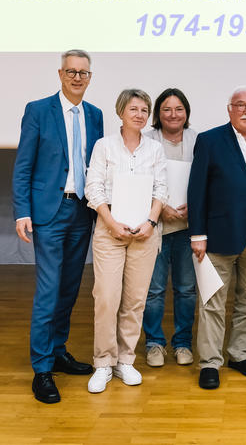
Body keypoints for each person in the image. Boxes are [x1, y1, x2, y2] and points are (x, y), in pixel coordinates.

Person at [12, 49, 104, 404]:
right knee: (49, 291)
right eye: (71, 71)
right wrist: (22, 212)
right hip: (49, 212)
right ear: (61, 74)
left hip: (82, 211)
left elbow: (97, 164)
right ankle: (41, 369)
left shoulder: (95, 115)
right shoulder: (38, 110)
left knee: (69, 289)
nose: (77, 77)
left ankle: (57, 351)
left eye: (83, 72)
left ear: (89, 77)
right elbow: (23, 165)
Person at [187, 86, 246, 390]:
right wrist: (198, 234)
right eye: (240, 105)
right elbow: (196, 190)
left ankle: (240, 353)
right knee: (212, 301)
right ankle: (210, 362)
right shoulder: (210, 140)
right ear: (229, 109)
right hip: (217, 236)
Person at [84, 89, 168, 393]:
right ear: (121, 112)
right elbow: (93, 188)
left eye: (145, 110)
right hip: (110, 232)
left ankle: (125, 360)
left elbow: (161, 189)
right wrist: (111, 223)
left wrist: (150, 223)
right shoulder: (104, 146)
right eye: (134, 109)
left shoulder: (155, 149)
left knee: (135, 300)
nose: (140, 115)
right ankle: (103, 363)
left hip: (145, 234)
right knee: (107, 297)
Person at [141, 88, 198, 368]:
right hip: (156, 226)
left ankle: (183, 343)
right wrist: (160, 207)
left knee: (186, 289)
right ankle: (154, 343)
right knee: (153, 290)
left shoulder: (198, 140)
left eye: (178, 109)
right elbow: (139, 179)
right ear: (157, 114)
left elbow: (206, 178)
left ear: (186, 112)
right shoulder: (146, 140)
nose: (173, 114)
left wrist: (194, 205)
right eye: (166, 109)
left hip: (188, 227)